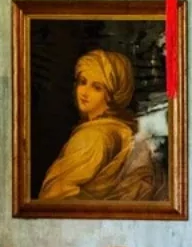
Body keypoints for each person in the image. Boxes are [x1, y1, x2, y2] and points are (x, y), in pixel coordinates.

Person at [37, 49, 159, 201]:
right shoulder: (121, 129)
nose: (84, 92)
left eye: (97, 87)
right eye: (82, 82)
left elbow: (55, 196)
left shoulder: (94, 135)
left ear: (113, 94)